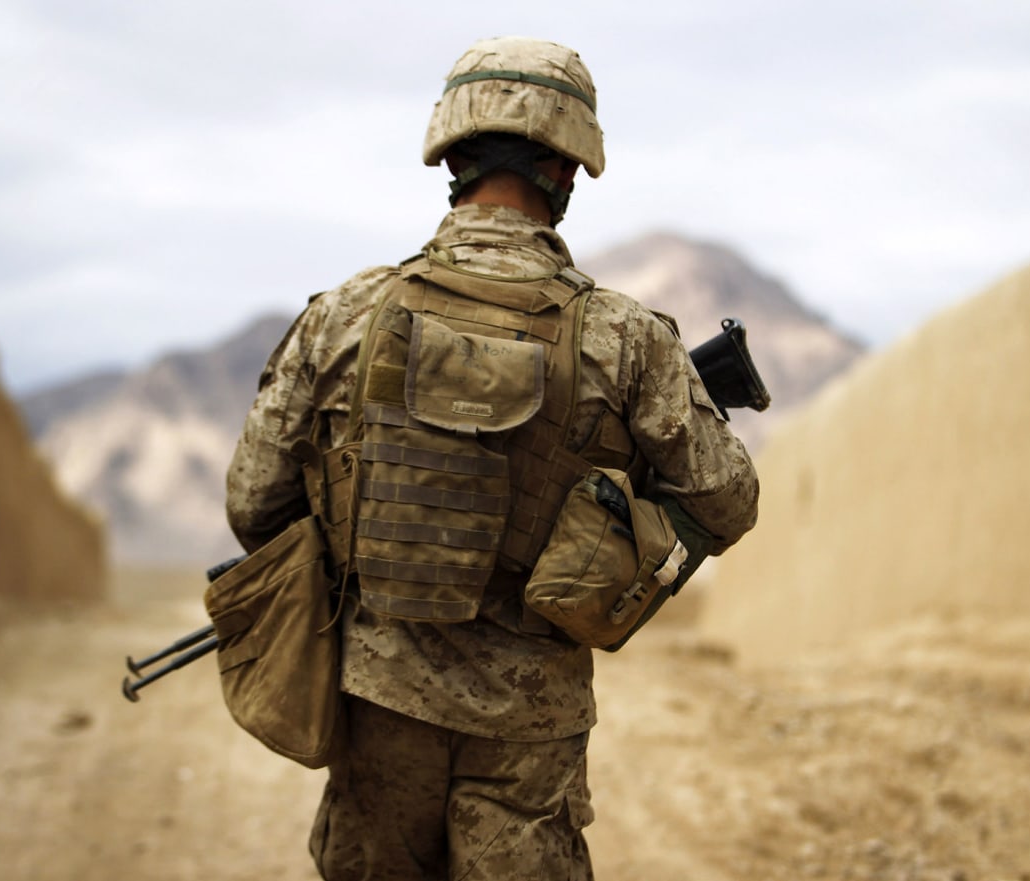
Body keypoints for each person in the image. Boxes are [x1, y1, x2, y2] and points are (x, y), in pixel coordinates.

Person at [226, 35, 758, 881]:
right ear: (570, 168)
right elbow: (726, 499)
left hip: (378, 699)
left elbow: (255, 502)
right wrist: (611, 536)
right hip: (531, 720)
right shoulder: (627, 338)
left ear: (453, 155)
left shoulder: (345, 315)